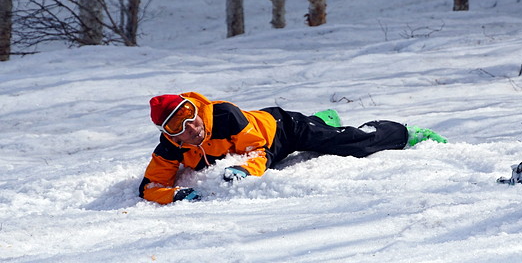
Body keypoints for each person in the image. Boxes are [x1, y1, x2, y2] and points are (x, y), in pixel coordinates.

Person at [138, 92, 447, 204]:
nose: (192, 127)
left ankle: (403, 133)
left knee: (352, 144)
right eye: (179, 126)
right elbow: (150, 186)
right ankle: (322, 119)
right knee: (326, 131)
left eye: (190, 115)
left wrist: (242, 170)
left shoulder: (224, 115)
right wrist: (176, 195)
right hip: (263, 144)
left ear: (195, 108)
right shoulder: (170, 149)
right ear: (170, 135)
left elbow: (258, 153)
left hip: (282, 129)